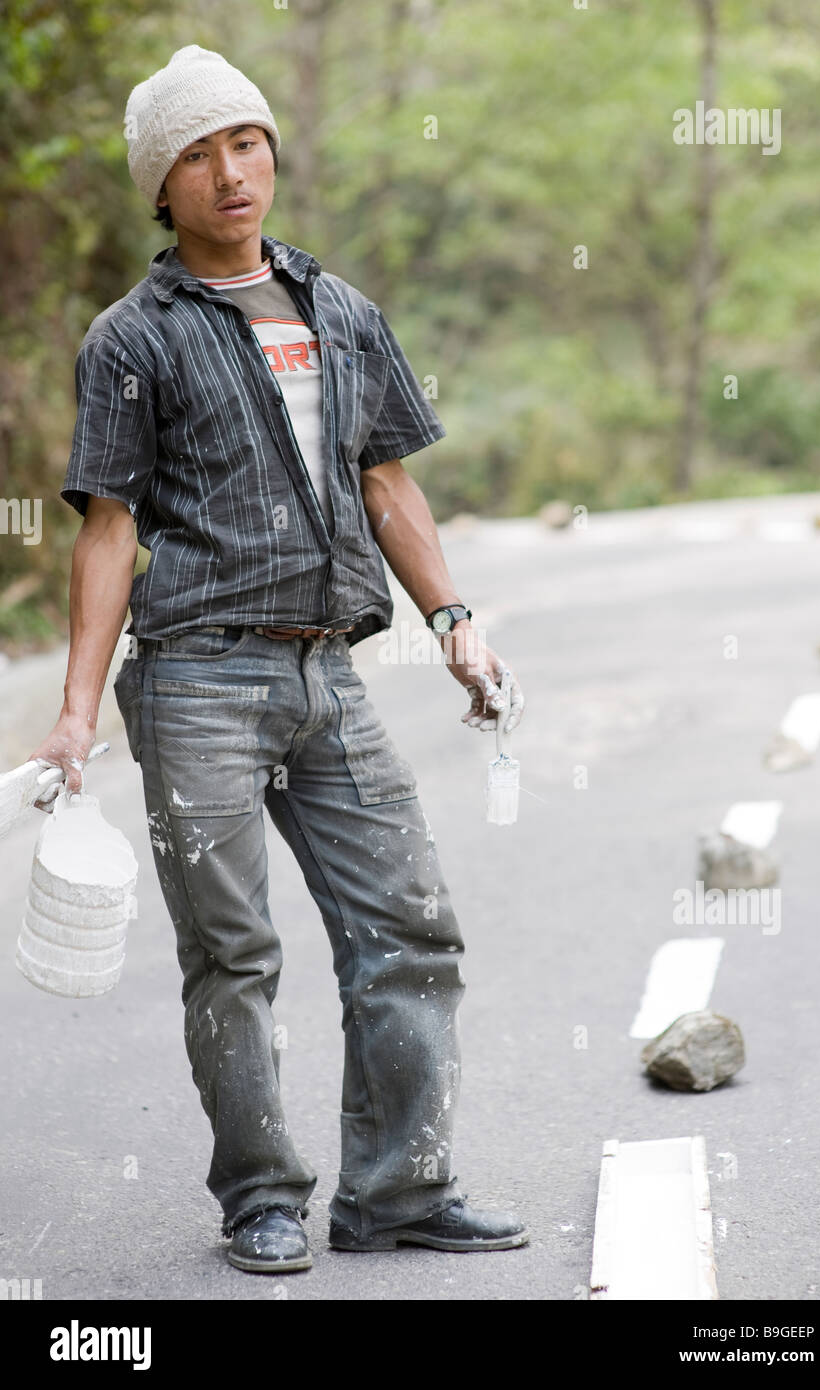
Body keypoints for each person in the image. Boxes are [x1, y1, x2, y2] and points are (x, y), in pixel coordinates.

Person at [27, 44, 528, 1274]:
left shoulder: (340, 308)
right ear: (164, 184)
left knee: (410, 925)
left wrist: (454, 619)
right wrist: (77, 710)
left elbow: (386, 478)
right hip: (196, 676)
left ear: (270, 152)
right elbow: (108, 526)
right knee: (235, 955)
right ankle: (260, 1194)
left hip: (331, 675)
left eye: (244, 142)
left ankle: (397, 1191)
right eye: (197, 155)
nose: (230, 171)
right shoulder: (131, 339)